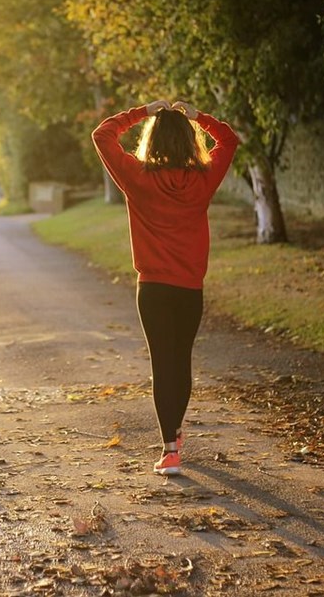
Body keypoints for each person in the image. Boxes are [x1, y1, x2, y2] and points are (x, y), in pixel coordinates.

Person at [92, 99, 240, 476]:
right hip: (190, 288)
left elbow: (102, 134)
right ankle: (174, 433)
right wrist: (198, 117)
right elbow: (229, 140)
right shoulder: (203, 179)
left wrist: (143, 111)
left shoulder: (137, 177)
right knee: (181, 361)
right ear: (190, 142)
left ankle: (170, 449)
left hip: (153, 289)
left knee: (163, 364)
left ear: (152, 140)